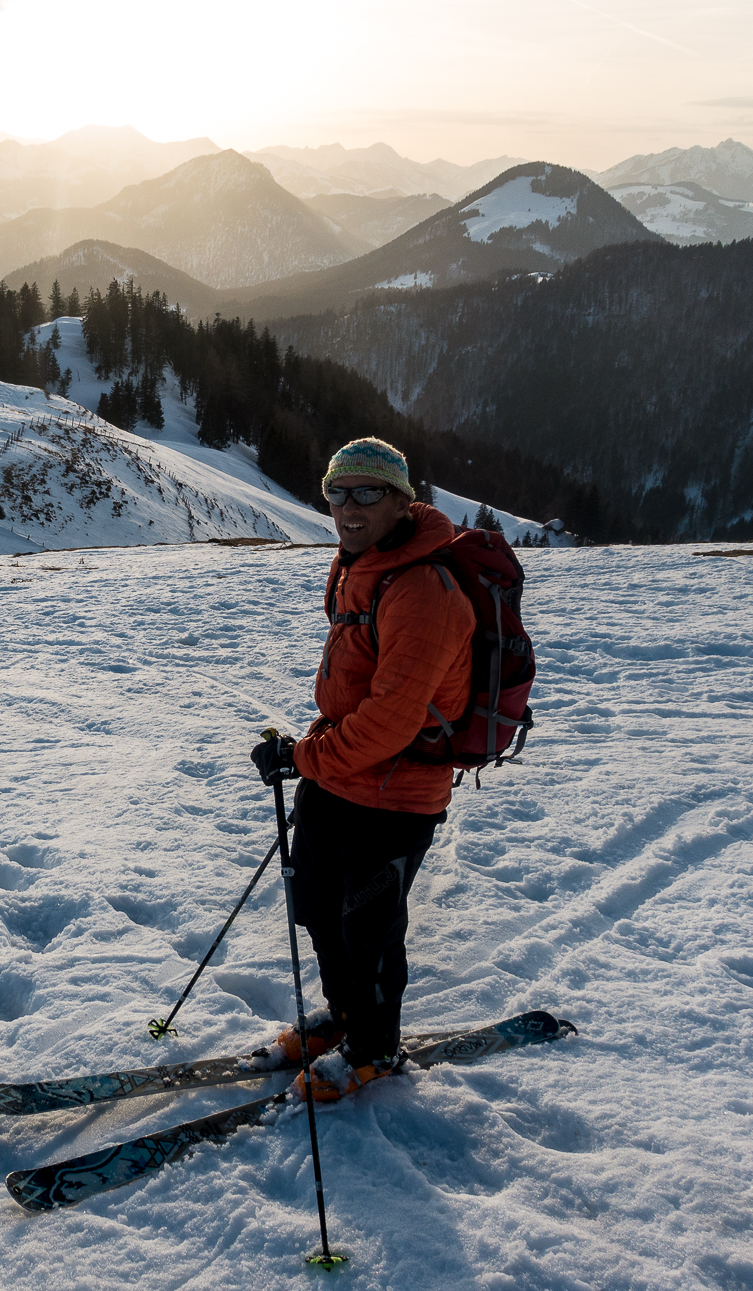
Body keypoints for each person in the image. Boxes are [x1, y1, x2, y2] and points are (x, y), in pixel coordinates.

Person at [251, 436, 473, 1102]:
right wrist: (307, 751)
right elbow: (355, 696)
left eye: (367, 491)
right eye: (336, 492)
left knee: (366, 927)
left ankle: (375, 1046)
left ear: (403, 501)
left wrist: (301, 755)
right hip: (338, 779)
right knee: (317, 904)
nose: (348, 506)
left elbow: (389, 723)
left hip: (397, 794)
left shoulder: (423, 589)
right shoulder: (362, 565)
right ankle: (346, 1017)